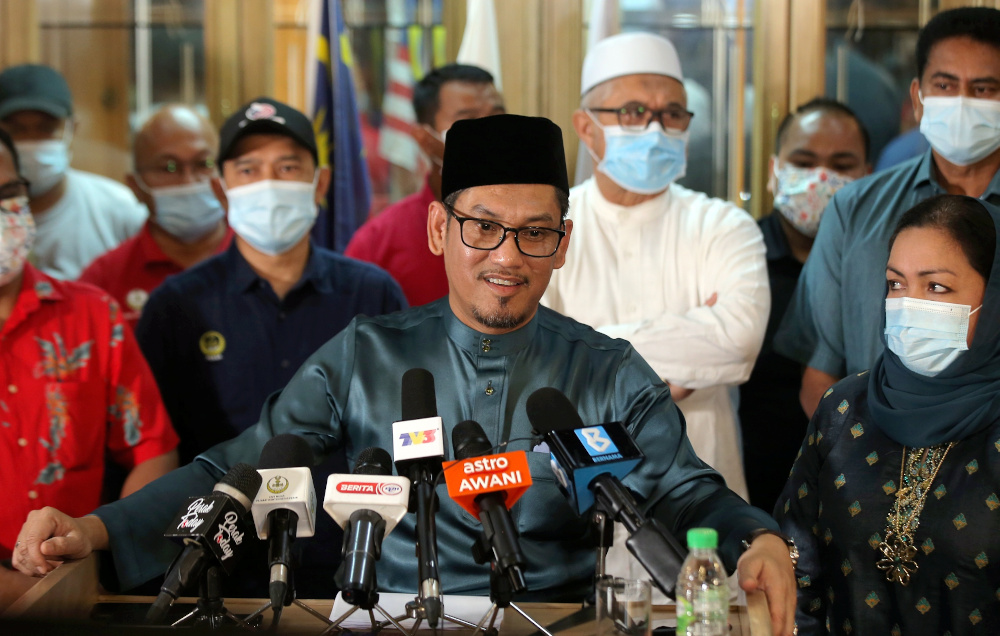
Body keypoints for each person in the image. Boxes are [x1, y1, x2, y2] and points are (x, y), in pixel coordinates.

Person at [11, 114, 798, 636]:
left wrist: (757, 537)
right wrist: (97, 529)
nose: (505, 257)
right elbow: (241, 467)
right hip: (379, 618)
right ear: (436, 228)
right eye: (482, 227)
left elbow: (684, 491)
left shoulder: (606, 371)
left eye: (533, 235)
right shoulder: (365, 354)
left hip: (556, 623)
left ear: (562, 245)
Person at [128, 97, 406, 597]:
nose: (269, 184)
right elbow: (157, 445)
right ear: (221, 187)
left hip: (351, 564)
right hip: (212, 567)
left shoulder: (372, 294)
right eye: (249, 169)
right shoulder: (176, 306)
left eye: (287, 167)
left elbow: (394, 426)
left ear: (319, 183)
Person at [543, 32, 769, 500]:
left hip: (701, 499)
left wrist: (583, 343)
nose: (655, 128)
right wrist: (675, 367)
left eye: (671, 114)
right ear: (586, 128)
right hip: (577, 505)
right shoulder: (546, 229)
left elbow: (738, 340)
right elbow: (533, 362)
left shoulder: (724, 224)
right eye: (632, 112)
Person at [776, 194, 1000, 634]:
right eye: (896, 284)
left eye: (936, 287)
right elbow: (793, 564)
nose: (908, 304)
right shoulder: (844, 407)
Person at [775, 7, 1000, 419]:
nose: (963, 103)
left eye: (984, 89)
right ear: (918, 97)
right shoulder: (855, 208)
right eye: (946, 85)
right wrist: (859, 464)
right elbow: (821, 377)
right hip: (872, 459)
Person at [0, 128, 177, 606]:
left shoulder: (91, 315)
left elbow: (152, 450)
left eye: (8, 194)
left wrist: (103, 546)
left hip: (82, 586)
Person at [739, 98, 870, 511]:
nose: (820, 178)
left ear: (867, 175)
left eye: (841, 165)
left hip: (857, 488)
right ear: (775, 170)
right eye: (804, 160)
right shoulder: (738, 256)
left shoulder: (886, 267)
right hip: (749, 490)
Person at [345, 64, 504, 306]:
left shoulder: (541, 226)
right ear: (425, 138)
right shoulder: (378, 242)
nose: (490, 132)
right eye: (468, 121)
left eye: (498, 118)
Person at [79, 105, 233, 328]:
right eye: (169, 168)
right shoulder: (104, 281)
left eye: (204, 164)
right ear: (136, 186)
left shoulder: (262, 260)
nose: (188, 181)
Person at [0, 64, 146, 280]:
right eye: (16, 130)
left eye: (47, 128)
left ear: (72, 128)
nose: (31, 140)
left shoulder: (118, 209)